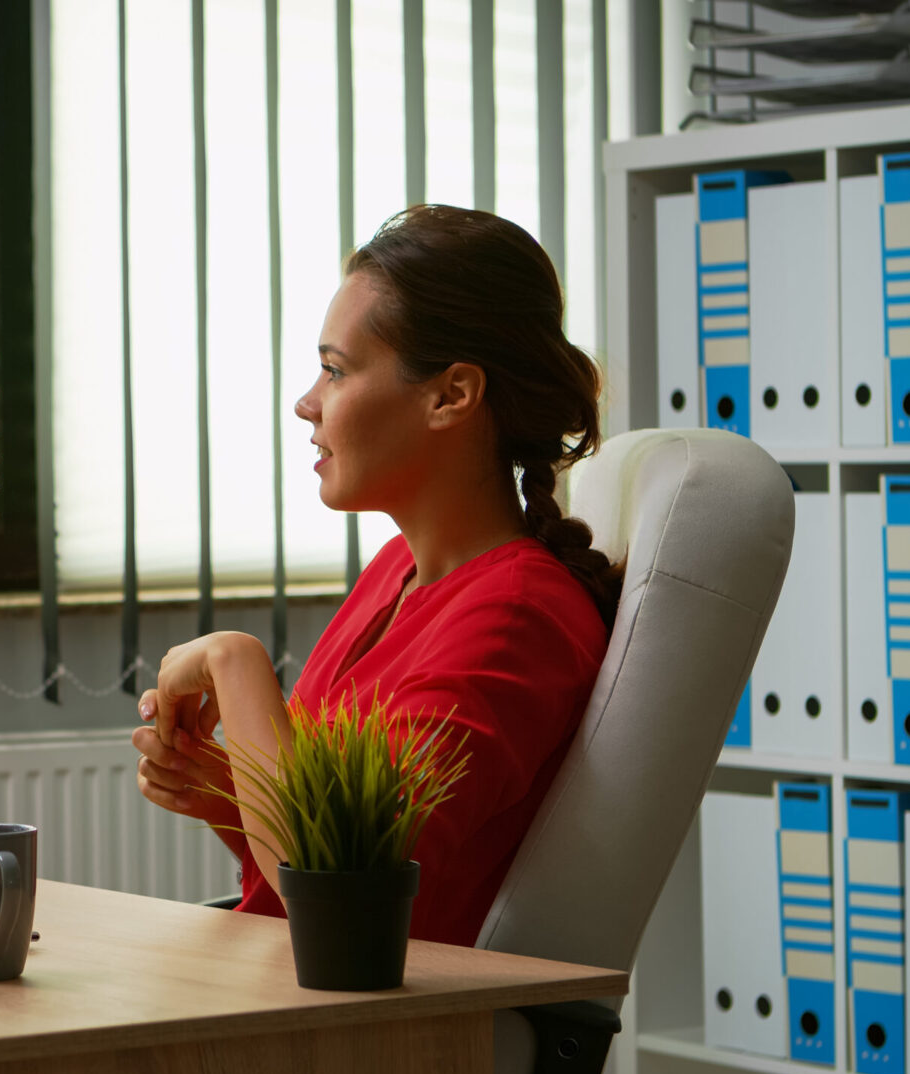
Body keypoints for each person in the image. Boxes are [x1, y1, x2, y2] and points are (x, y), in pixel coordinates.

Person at [133, 205, 617, 948]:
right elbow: (330, 841)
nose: (307, 402)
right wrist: (225, 794)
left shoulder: (518, 620)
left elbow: (335, 887)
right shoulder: (397, 572)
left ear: (451, 395)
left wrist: (236, 661)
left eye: (335, 370)